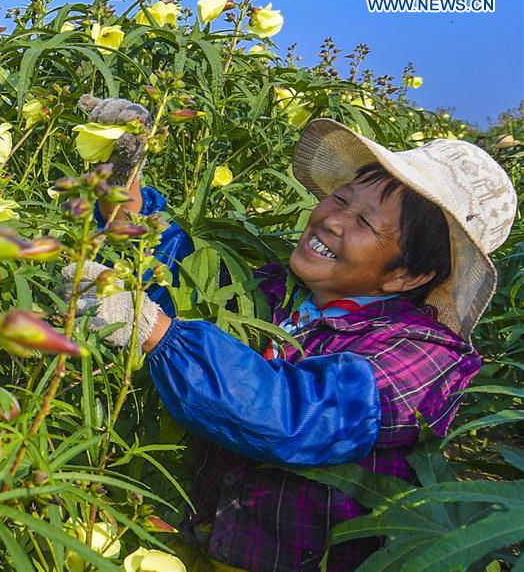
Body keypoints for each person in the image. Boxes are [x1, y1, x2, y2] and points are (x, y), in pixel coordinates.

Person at [65, 99, 517, 571]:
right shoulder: (275, 290)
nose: (332, 219)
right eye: (340, 199)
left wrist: (153, 328)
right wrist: (122, 185)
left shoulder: (423, 357)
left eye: (364, 222)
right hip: (198, 538)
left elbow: (295, 415)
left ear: (406, 276)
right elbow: (173, 273)